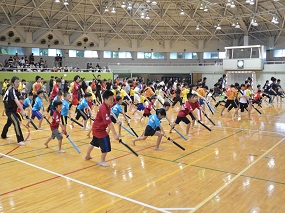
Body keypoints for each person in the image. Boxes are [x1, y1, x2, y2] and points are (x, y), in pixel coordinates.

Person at [85, 90, 119, 167]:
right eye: (110, 99)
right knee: (106, 143)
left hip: (97, 128)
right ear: (105, 99)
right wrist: (115, 135)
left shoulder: (107, 105)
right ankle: (102, 161)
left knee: (93, 142)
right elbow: (109, 123)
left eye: (113, 99)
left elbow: (111, 111)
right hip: (99, 130)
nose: (112, 101)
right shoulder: (103, 108)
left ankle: (87, 156)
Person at [1, 76, 26, 146]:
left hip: (14, 111)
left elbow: (19, 102)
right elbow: (16, 101)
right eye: (16, 82)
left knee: (9, 123)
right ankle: (20, 140)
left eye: (19, 82)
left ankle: (3, 135)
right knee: (16, 122)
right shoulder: (12, 91)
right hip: (9, 111)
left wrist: (21, 109)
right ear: (13, 83)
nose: (18, 83)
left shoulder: (17, 91)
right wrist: (22, 110)